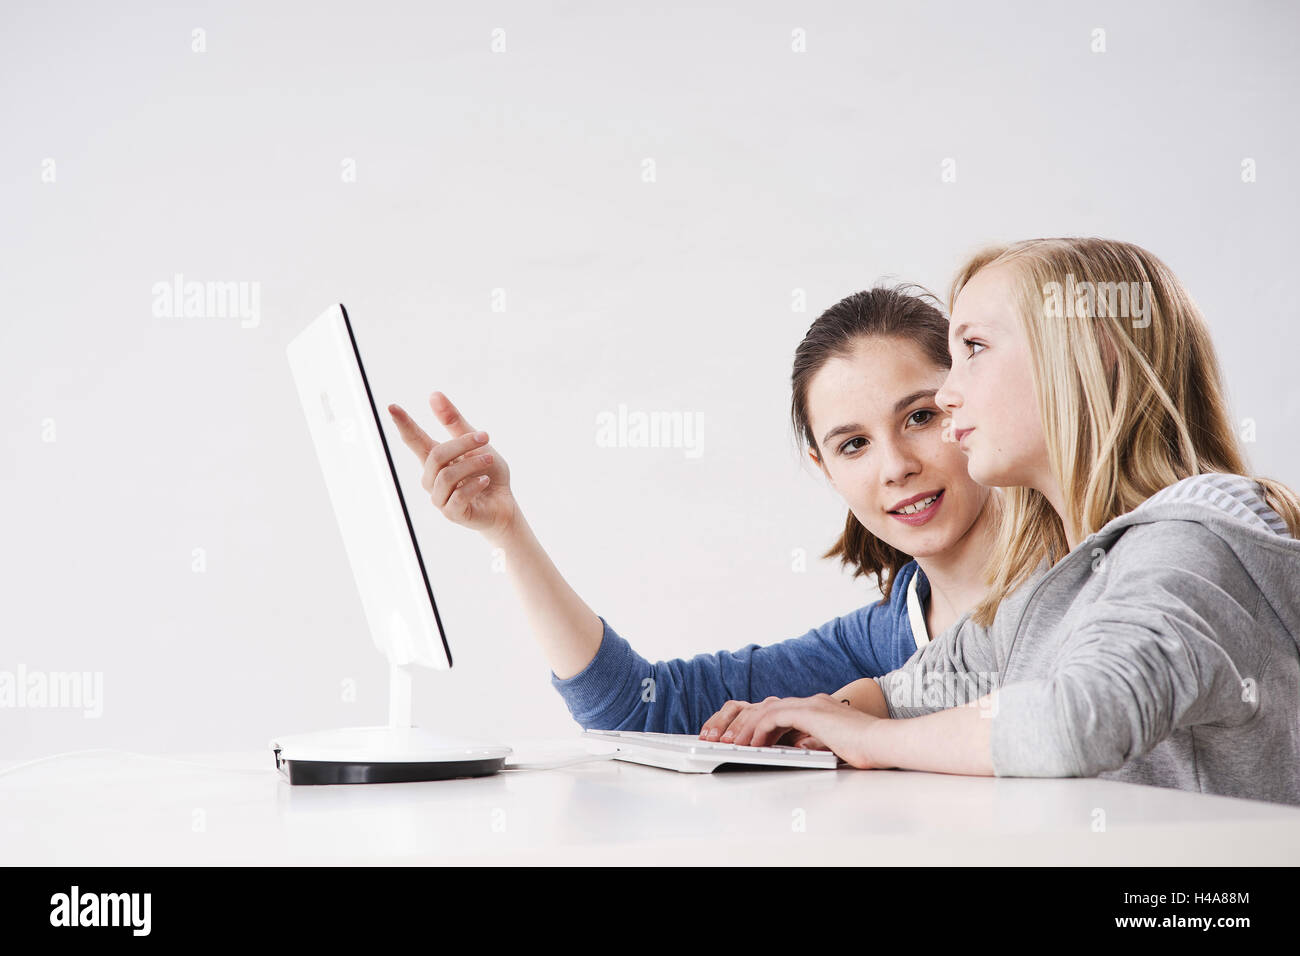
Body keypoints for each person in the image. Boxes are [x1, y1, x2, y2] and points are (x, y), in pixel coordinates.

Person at [707, 237, 1300, 806]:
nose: (947, 395)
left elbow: (1074, 721)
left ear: (1092, 354)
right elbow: (921, 688)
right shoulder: (1057, 584)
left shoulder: (1192, 539)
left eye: (974, 347)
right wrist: (819, 717)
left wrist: (867, 740)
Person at [387, 285, 1000, 735]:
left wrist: (867, 719)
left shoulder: (1059, 581)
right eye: (854, 445)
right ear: (825, 468)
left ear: (967, 402)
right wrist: (509, 532)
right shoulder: (884, 636)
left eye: (920, 417)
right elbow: (638, 708)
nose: (895, 466)